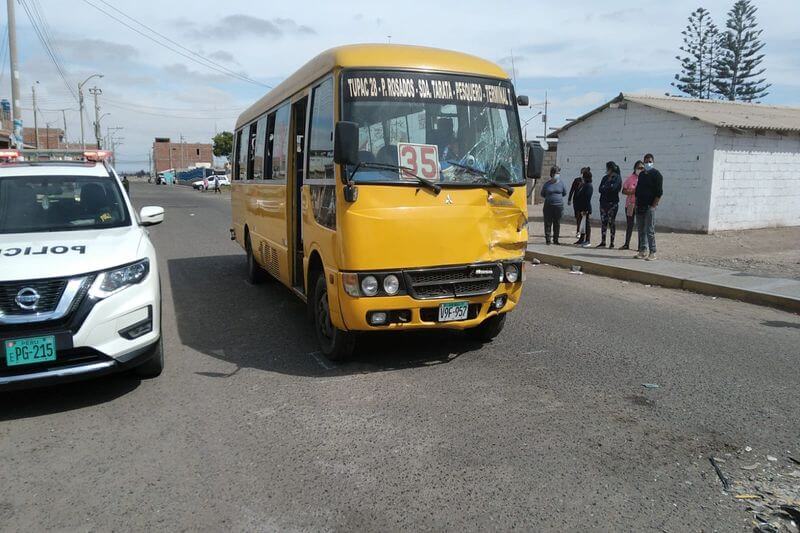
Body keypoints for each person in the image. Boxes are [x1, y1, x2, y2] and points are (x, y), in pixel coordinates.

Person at [634, 153, 663, 260]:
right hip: (640, 205)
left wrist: (653, 206)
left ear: (653, 162)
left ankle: (653, 251)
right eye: (646, 161)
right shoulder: (641, 175)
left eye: (649, 161)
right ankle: (643, 250)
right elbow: (638, 190)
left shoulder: (657, 175)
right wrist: (636, 203)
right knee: (641, 229)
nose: (647, 163)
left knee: (649, 230)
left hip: (649, 206)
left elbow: (659, 193)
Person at [597, 161, 622, 248]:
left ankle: (612, 242)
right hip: (603, 203)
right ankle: (603, 241)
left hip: (612, 204)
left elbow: (614, 188)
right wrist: (608, 185)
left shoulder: (617, 178)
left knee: (612, 222)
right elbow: (600, 189)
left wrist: (606, 187)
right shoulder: (605, 178)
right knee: (604, 222)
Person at [540, 165, 567, 245]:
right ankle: (548, 240)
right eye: (557, 173)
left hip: (558, 207)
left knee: (557, 223)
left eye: (559, 173)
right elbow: (543, 194)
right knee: (548, 223)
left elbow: (564, 193)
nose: (558, 174)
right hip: (548, 206)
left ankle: (556, 239)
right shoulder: (547, 184)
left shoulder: (561, 183)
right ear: (552, 174)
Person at [620, 161, 643, 250]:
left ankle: (641, 246)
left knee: (640, 225)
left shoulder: (644, 178)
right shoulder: (630, 178)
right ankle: (626, 243)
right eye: (639, 168)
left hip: (640, 205)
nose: (640, 170)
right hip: (630, 205)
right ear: (635, 168)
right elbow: (623, 191)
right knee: (630, 225)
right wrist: (633, 192)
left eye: (642, 168)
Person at [573, 168, 593, 247]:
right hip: (581, 208)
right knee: (582, 225)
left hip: (586, 209)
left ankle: (587, 240)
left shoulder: (588, 186)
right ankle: (581, 239)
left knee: (587, 225)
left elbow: (587, 198)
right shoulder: (583, 185)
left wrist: (585, 210)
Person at [568, 167, 586, 238]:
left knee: (583, 217)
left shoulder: (587, 182)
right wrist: (569, 199)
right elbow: (572, 190)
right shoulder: (577, 180)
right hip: (576, 201)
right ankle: (578, 231)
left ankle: (582, 232)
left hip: (584, 202)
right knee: (578, 217)